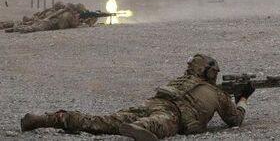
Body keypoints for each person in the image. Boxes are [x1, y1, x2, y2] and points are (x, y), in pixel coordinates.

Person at [20, 54, 255, 141]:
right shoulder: (216, 93)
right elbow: (234, 120)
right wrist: (243, 99)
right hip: (171, 113)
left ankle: (48, 118)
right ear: (210, 72)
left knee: (103, 120)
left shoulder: (182, 80)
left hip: (152, 103)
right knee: (157, 124)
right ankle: (138, 128)